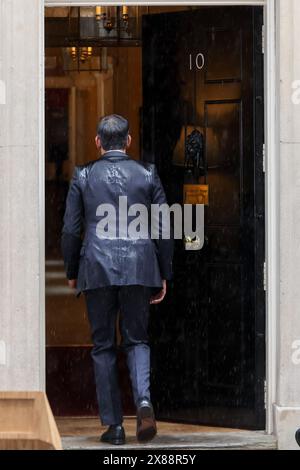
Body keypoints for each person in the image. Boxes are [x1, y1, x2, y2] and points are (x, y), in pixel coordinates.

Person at [61, 114, 173, 445]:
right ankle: (143, 402)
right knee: (137, 339)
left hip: (96, 266)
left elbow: (70, 229)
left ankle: (114, 427)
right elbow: (165, 225)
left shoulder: (83, 175)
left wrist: (71, 271)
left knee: (103, 345)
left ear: (98, 142)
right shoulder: (147, 173)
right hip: (140, 265)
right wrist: (164, 272)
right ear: (128, 141)